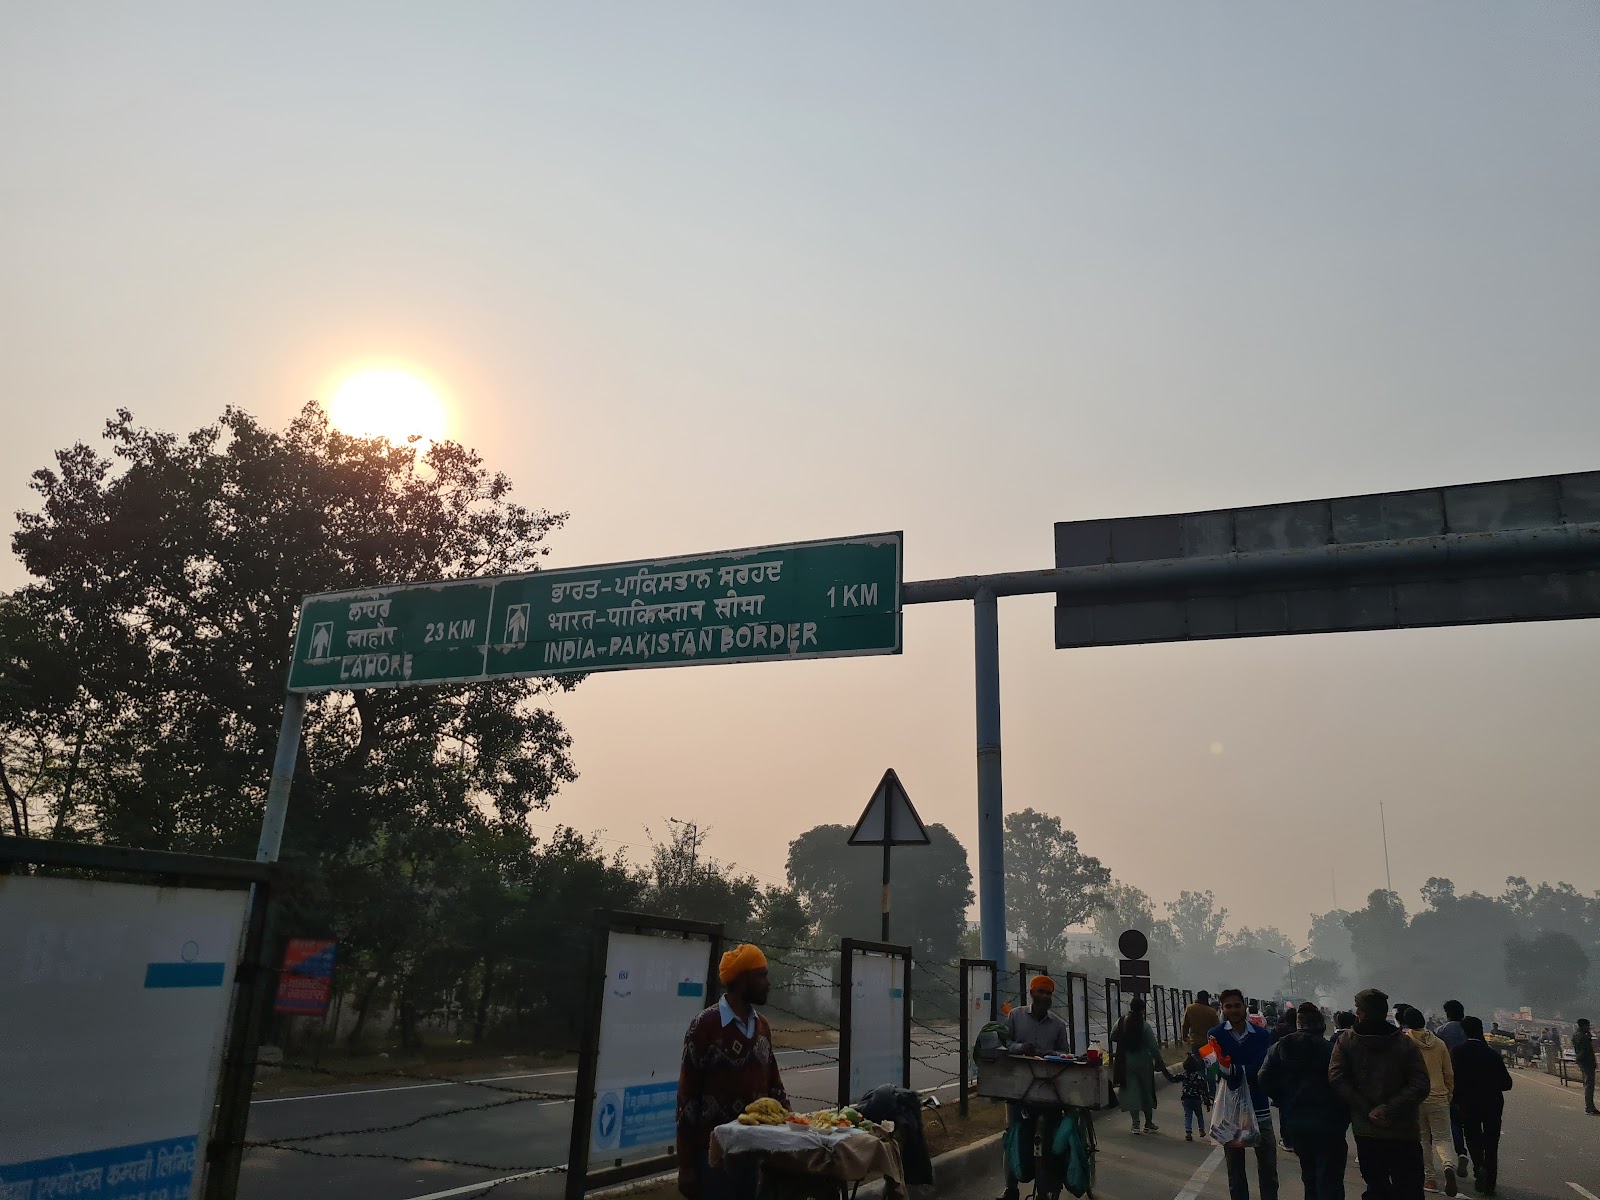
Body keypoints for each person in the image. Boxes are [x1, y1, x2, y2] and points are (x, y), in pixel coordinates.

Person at [677, 944, 788, 1200]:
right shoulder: (704, 1026)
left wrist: (797, 1129)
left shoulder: (762, 1026)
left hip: (757, 1154)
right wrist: (686, 1165)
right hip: (714, 1158)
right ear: (742, 980)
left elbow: (774, 1086)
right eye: (761, 975)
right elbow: (687, 1098)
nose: (767, 983)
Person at [1329, 987, 1429, 1200]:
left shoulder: (1346, 1041)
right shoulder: (1405, 1043)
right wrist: (1390, 1108)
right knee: (1409, 1188)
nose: (1356, 1013)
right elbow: (1420, 1083)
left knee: (1376, 1187)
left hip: (1367, 1131)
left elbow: (1337, 1078)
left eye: (1359, 1009)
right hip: (1404, 1130)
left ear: (1364, 1012)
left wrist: (1369, 1111)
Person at [1260, 1003, 1349, 1200]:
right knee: (1330, 1180)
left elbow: (1263, 1078)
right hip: (1329, 1123)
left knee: (1309, 1177)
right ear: (1321, 1027)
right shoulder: (1331, 1050)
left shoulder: (1280, 1048)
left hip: (1296, 1122)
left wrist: (1282, 1099)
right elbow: (1344, 1084)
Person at [998, 975, 1073, 1200]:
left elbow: (1065, 1051)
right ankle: (1010, 1189)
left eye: (1048, 993)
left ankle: (1054, 1182)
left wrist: (1053, 1054)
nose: (1044, 996)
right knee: (1012, 1137)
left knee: (1053, 1139)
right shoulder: (1015, 1016)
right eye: (1040, 991)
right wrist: (1021, 1048)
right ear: (1031, 993)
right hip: (1018, 1089)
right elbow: (1005, 1044)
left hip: (1049, 1091)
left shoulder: (1058, 1024)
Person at [1212, 988, 1279, 1200]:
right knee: (1235, 1170)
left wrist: (1232, 1069)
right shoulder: (1216, 1034)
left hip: (1260, 1109)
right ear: (1222, 1009)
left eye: (1237, 1005)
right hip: (1231, 1111)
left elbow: (1261, 1067)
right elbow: (1214, 1067)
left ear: (1244, 1006)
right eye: (1228, 1006)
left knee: (1268, 1168)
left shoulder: (1261, 1035)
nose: (1233, 1010)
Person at [1450, 1017, 1512, 1195]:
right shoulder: (1492, 1054)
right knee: (1491, 1143)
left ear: (1464, 1032)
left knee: (1472, 1137)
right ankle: (1490, 1181)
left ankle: (1479, 1168)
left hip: (1467, 1104)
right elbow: (1507, 1083)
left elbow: (1453, 1079)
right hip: (1492, 1104)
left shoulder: (1458, 1052)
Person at [1402, 1006, 1458, 1194]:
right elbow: (1448, 1073)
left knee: (1423, 1139)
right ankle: (1449, 1165)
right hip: (1439, 1096)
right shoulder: (1440, 1044)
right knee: (1443, 1137)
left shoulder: (1405, 1042)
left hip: (1415, 1097)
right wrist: (1448, 1094)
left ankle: (1430, 1179)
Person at [1113, 996, 1174, 1134]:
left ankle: (1135, 1125)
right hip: (1144, 1061)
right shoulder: (1145, 1026)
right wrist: (1160, 1062)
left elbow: (1113, 1036)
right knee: (1146, 1091)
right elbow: (1153, 1047)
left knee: (1131, 1091)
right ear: (1143, 1010)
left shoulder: (1121, 1022)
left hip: (1126, 1061)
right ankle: (1148, 1123)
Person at [1435, 1000, 1470, 1181]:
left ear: (1447, 1013)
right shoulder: (1468, 1029)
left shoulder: (1442, 1031)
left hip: (1450, 1078)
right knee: (1471, 1121)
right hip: (1471, 1080)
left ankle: (1460, 1151)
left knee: (1454, 1120)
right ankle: (1477, 1156)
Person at [1180, 1049, 1215, 1142]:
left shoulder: (1184, 1076)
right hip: (1196, 1100)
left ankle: (1188, 1131)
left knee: (1188, 1115)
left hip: (1186, 1099)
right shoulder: (1200, 1078)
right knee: (1199, 1115)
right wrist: (1207, 1102)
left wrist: (1165, 1071)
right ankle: (1201, 1130)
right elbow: (1204, 1091)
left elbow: (1173, 1078)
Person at [1573, 1017, 1597, 1115]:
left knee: (1589, 1084)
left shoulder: (1575, 1035)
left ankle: (1590, 1106)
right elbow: (1585, 1050)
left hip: (1583, 1062)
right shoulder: (1583, 1037)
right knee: (1589, 1085)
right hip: (1587, 1062)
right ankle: (1589, 1107)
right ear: (1584, 1026)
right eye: (1588, 1026)